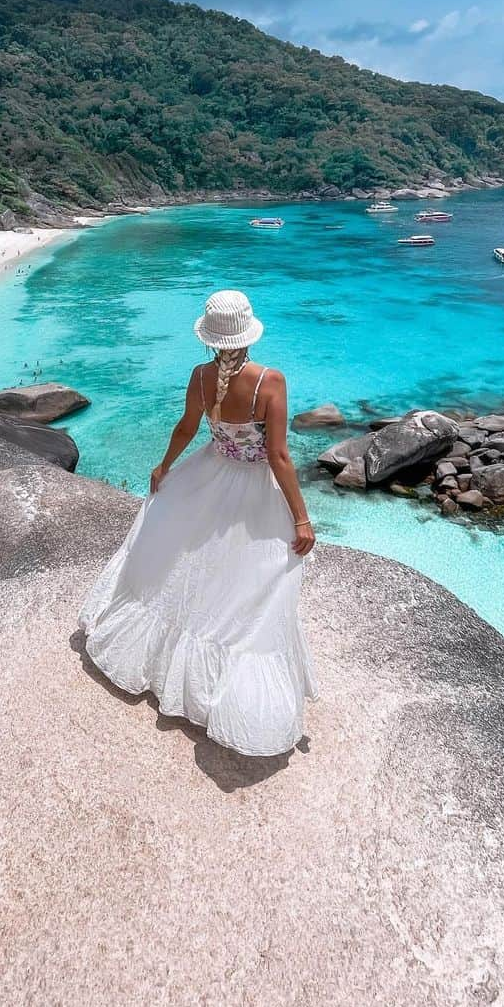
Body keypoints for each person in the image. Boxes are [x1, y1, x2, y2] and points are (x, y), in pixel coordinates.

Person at [79, 289, 318, 757]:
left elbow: (187, 428)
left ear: (211, 341)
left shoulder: (202, 377)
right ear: (248, 334)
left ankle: (171, 665)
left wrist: (165, 466)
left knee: (194, 572)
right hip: (252, 489)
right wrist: (302, 517)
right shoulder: (271, 380)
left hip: (208, 475)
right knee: (250, 585)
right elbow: (278, 454)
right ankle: (224, 686)